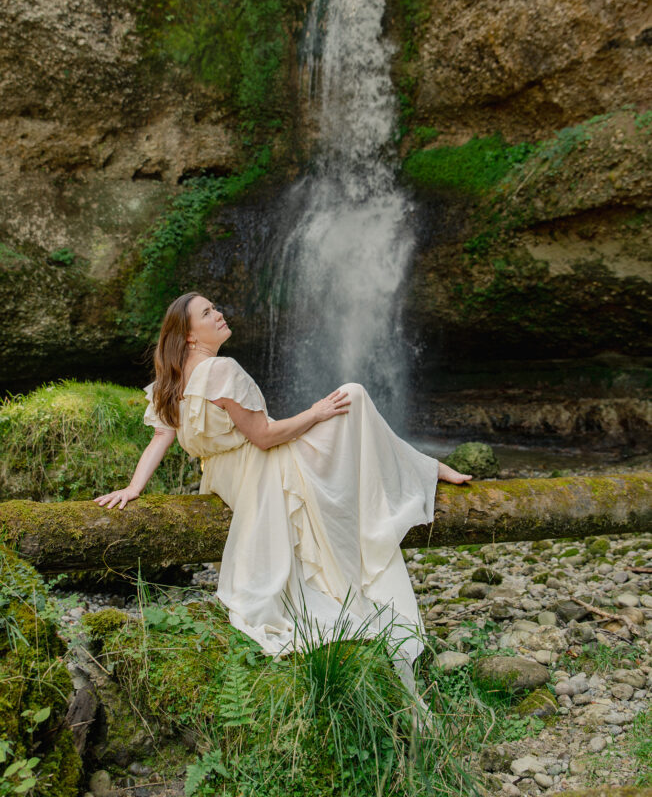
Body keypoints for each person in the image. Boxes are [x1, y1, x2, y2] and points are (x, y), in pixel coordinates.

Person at [94, 292, 472, 708]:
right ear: (187, 335)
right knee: (353, 395)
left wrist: (134, 488)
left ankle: (421, 466)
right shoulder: (221, 369)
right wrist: (316, 412)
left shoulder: (174, 379)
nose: (219, 314)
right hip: (268, 465)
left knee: (350, 408)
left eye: (216, 307)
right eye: (207, 313)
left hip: (226, 477)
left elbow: (162, 437)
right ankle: (425, 469)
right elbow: (265, 437)